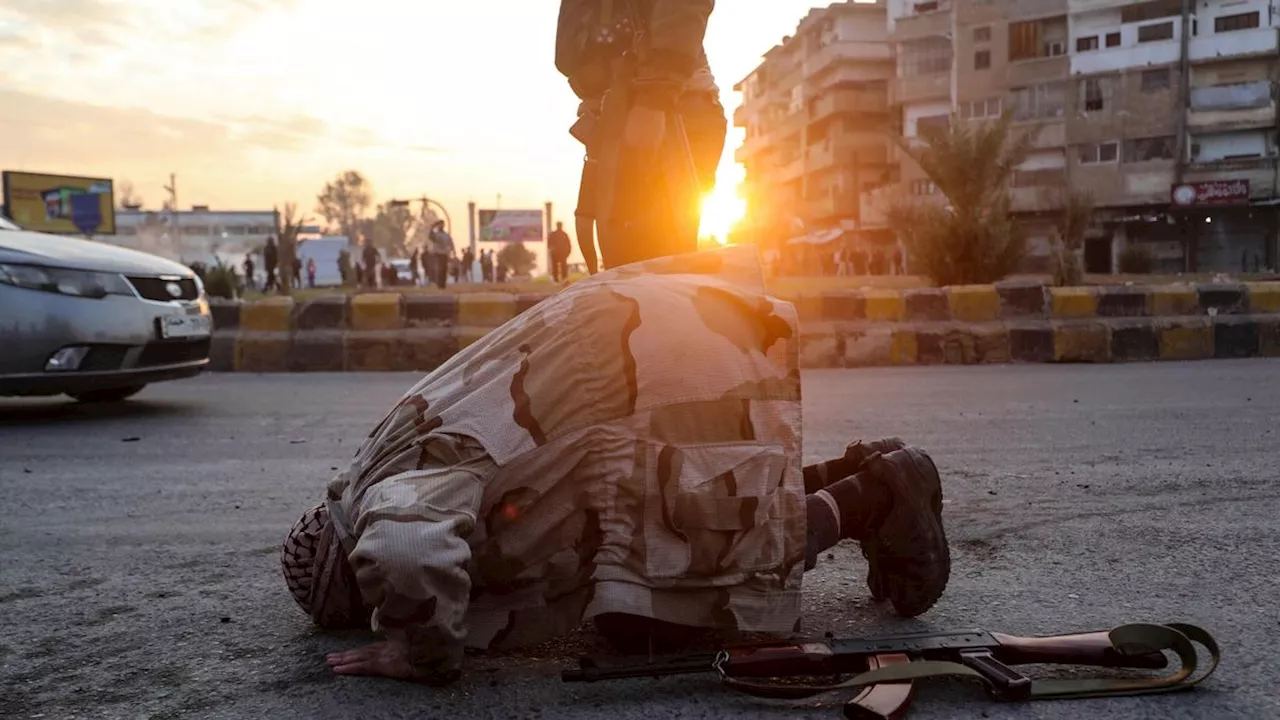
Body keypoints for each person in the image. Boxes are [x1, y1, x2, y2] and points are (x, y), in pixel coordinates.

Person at [282, 244, 950, 684]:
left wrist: (417, 646)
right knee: (690, 513)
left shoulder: (390, 500)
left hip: (627, 366)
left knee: (695, 584)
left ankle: (879, 496)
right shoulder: (375, 463)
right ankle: (865, 473)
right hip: (630, 346)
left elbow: (408, 551)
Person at [557, 0, 727, 272]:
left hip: (661, 111)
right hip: (625, 112)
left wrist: (655, 97)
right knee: (636, 271)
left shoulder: (655, 102)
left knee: (658, 275)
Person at [428, 221, 455, 290]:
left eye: (442, 225)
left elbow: (451, 244)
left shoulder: (446, 235)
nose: (441, 226)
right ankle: (439, 284)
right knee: (439, 269)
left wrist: (452, 252)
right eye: (440, 225)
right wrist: (431, 228)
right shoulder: (437, 234)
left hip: (444, 254)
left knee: (444, 269)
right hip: (438, 254)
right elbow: (431, 237)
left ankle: (442, 284)